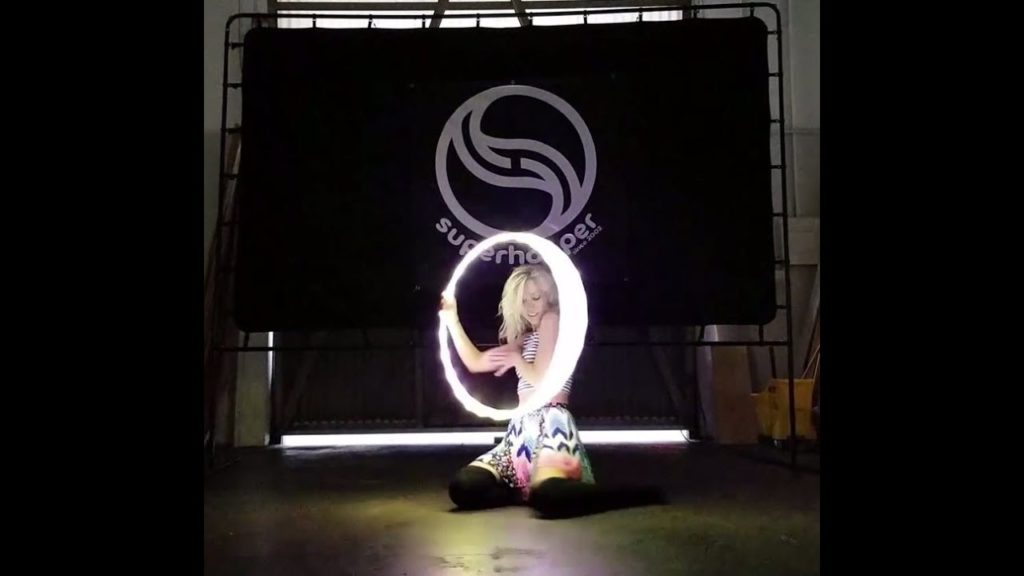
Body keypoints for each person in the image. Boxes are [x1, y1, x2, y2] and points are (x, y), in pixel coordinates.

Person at [440, 264, 664, 518]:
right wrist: (452, 320)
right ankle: (524, 491)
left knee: (552, 497)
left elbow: (541, 379)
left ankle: (639, 494)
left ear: (549, 296)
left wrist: (517, 360)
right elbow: (476, 363)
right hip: (520, 433)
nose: (530, 307)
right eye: (523, 301)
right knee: (464, 488)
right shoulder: (526, 337)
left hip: (552, 425)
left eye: (535, 298)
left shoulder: (553, 319)